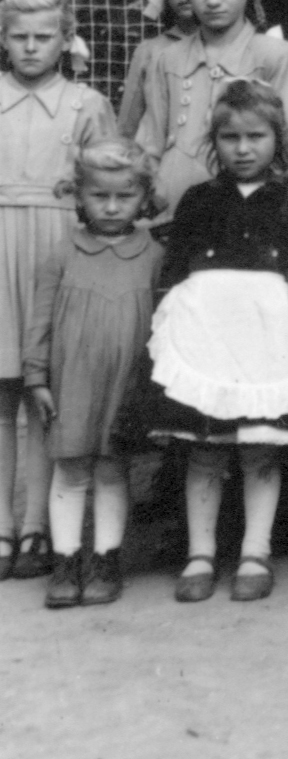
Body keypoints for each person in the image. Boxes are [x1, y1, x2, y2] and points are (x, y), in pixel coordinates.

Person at [144, 78, 288, 604]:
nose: (243, 149)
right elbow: (174, 270)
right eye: (230, 138)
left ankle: (255, 551)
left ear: (277, 140)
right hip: (207, 333)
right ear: (214, 141)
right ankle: (200, 554)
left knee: (260, 447)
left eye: (255, 137)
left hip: (265, 336)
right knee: (205, 448)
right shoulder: (199, 199)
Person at [0, 0, 115, 583]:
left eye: (43, 36)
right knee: (1, 393)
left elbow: (107, 186)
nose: (30, 47)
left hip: (56, 247)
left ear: (65, 40)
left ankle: (37, 526)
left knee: (45, 391)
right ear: (3, 39)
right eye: (18, 36)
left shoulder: (85, 103)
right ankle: (1, 524)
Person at [24, 137, 163, 608]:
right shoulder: (62, 253)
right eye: (99, 195)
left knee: (111, 468)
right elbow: (41, 320)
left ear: (144, 197)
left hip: (126, 381)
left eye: (125, 196)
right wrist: (36, 377)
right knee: (70, 468)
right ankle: (65, 562)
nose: (111, 206)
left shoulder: (153, 255)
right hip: (72, 382)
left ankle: (105, 560)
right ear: (79, 195)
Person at [120, 0, 288, 213]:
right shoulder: (167, 58)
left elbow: (287, 152)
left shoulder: (277, 55)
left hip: (245, 210)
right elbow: (151, 145)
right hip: (170, 206)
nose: (213, 0)